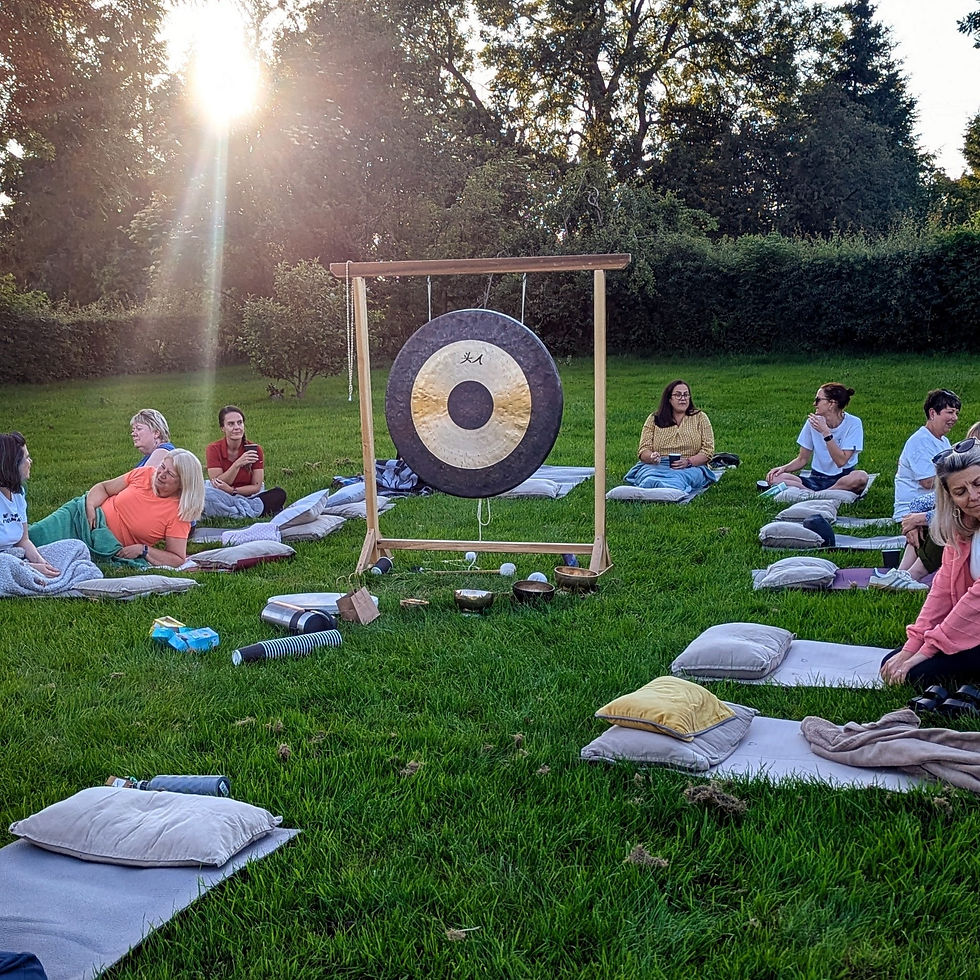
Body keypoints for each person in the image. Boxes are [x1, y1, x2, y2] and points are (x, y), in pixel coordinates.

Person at [881, 437, 980, 689]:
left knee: (917, 672)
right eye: (960, 492)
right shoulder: (961, 529)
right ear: (950, 498)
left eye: (979, 484)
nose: (973, 496)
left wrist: (929, 648)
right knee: (894, 660)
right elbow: (942, 591)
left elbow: (975, 601)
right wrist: (911, 647)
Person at [30, 449, 204, 567]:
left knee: (49, 558)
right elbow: (104, 488)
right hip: (83, 516)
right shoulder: (145, 474)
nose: (161, 474)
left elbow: (177, 558)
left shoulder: (179, 513)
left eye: (170, 474)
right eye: (162, 467)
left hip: (105, 543)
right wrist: (90, 506)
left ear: (183, 483)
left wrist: (143, 550)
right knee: (33, 535)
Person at [763, 382, 869, 494]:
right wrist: (783, 468)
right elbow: (802, 459)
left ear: (831, 404)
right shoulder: (812, 422)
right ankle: (817, 493)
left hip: (842, 479)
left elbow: (841, 461)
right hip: (816, 478)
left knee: (861, 477)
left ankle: (818, 494)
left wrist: (826, 433)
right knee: (774, 478)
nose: (814, 404)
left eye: (818, 400)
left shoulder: (853, 423)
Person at [623, 379, 720, 493]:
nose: (683, 398)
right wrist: (651, 457)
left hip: (691, 466)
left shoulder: (700, 417)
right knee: (648, 477)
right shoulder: (654, 418)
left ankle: (669, 489)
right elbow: (643, 449)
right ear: (669, 399)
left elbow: (708, 451)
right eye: (678, 395)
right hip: (657, 465)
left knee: (681, 478)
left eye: (686, 395)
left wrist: (688, 462)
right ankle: (651, 488)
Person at [203, 405, 285, 518]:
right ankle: (254, 510)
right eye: (231, 424)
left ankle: (233, 511)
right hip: (221, 494)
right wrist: (237, 464)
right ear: (222, 428)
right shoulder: (213, 449)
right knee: (205, 495)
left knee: (279, 494)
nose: (237, 427)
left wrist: (233, 491)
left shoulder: (255, 449)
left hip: (248, 494)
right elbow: (218, 483)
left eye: (240, 423)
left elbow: (256, 486)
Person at [0, 432, 59, 577]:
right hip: (5, 562)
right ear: (12, 465)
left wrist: (42, 563)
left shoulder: (19, 494)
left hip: (15, 557)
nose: (30, 461)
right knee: (8, 564)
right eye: (26, 458)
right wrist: (30, 567)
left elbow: (23, 540)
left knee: (76, 547)